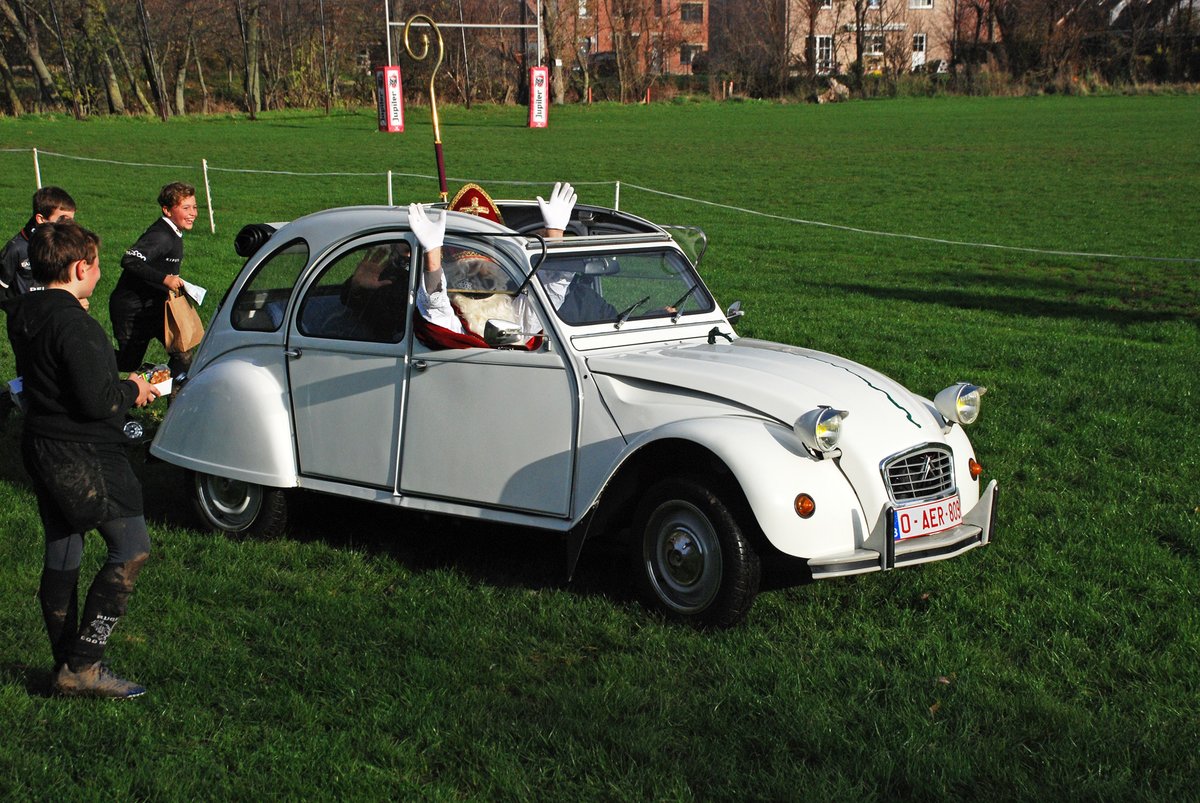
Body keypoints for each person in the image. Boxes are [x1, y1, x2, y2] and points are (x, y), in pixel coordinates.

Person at [7, 221, 159, 699]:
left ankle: (64, 666)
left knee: (63, 548)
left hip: (40, 443)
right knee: (132, 547)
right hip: (82, 453)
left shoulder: (25, 309)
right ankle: (84, 666)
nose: (99, 273)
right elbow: (98, 402)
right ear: (78, 267)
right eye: (96, 265)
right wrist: (134, 389)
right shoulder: (76, 323)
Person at [109, 182, 198, 377]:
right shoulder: (161, 236)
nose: (193, 213)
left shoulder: (175, 232)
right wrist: (164, 279)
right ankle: (87, 359)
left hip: (156, 307)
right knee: (128, 361)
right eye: (185, 208)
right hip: (133, 310)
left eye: (194, 207)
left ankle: (176, 400)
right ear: (166, 210)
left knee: (182, 352)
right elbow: (130, 260)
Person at [0, 186, 77, 304]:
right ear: (41, 219)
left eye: (71, 221)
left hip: (53, 311)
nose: (69, 226)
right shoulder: (16, 248)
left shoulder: (65, 245)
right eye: (63, 220)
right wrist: (16, 310)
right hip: (25, 316)